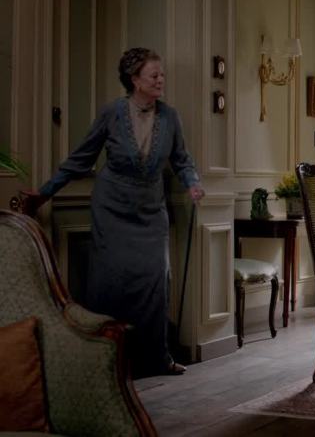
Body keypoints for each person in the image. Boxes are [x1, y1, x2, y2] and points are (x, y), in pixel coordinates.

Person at [25, 47, 205, 378]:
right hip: (112, 209)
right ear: (134, 79)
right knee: (109, 284)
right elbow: (81, 158)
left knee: (156, 282)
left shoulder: (170, 117)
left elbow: (182, 160)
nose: (161, 80)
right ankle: (105, 360)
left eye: (162, 74)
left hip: (151, 211)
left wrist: (192, 183)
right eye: (154, 75)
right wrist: (45, 192)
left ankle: (158, 358)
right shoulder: (112, 113)